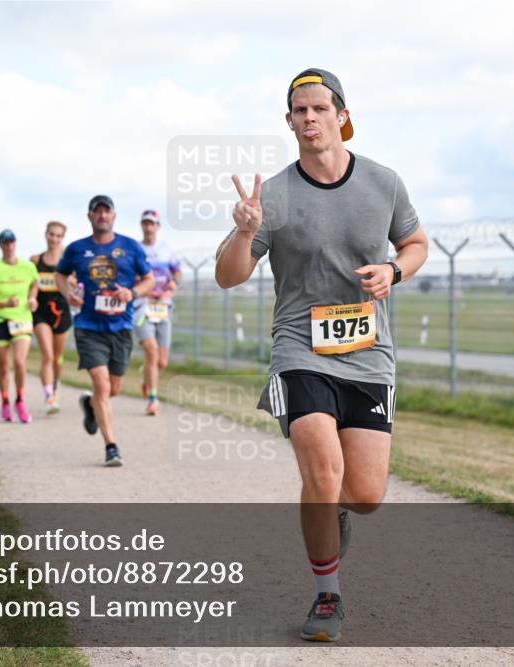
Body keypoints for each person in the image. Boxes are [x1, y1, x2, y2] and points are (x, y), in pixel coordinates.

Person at [214, 68, 429, 642]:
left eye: (319, 108)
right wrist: (244, 232)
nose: (309, 118)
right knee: (323, 470)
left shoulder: (383, 182)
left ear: (342, 115)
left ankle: (331, 513)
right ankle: (327, 595)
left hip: (368, 354)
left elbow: (415, 243)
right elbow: (228, 276)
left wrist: (394, 271)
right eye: (299, 111)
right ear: (289, 122)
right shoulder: (274, 196)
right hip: (300, 351)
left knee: (365, 495)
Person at [55, 195, 154, 467]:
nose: (102, 215)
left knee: (114, 388)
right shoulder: (76, 249)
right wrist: (67, 293)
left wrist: (132, 293)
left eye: (106, 211)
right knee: (101, 384)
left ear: (114, 216)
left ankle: (90, 405)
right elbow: (60, 274)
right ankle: (111, 447)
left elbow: (149, 279)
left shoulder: (130, 247)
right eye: (96, 211)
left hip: (121, 327)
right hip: (88, 326)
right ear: (90, 216)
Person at [0, 230, 39, 423]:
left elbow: (34, 284)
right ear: (0, 245)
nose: (9, 245)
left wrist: (32, 298)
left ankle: (20, 400)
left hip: (22, 319)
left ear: (16, 243)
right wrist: (4, 303)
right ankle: (5, 401)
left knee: (20, 362)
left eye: (12, 242)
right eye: (5, 242)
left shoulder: (28, 266)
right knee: (4, 367)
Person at [132, 209, 182, 416]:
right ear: (141, 225)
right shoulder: (135, 249)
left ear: (158, 226)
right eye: (145, 223)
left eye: (152, 223)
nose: (148, 227)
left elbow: (177, 272)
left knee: (161, 361)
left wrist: (173, 283)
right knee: (151, 351)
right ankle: (153, 398)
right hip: (141, 307)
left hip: (162, 307)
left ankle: (147, 377)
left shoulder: (166, 250)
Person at [30, 221, 73, 414]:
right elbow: (31, 284)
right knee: (47, 354)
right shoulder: (35, 260)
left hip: (61, 312)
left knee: (57, 357)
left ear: (62, 238)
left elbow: (77, 282)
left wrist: (70, 280)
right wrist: (31, 298)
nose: (54, 239)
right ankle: (49, 396)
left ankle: (55, 385)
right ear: (45, 235)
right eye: (51, 234)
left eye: (58, 236)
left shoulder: (68, 260)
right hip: (41, 312)